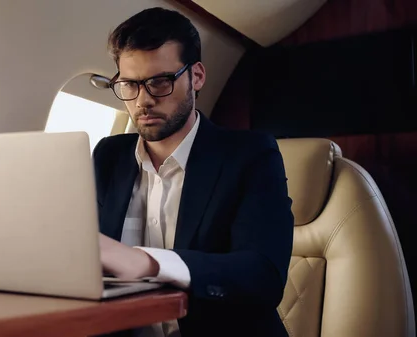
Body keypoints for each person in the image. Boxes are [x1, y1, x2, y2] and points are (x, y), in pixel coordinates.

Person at [92, 7, 294, 337]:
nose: (142, 100)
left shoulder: (249, 155)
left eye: (159, 82)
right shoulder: (108, 155)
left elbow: (263, 276)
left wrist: (150, 263)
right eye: (129, 84)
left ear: (196, 76)